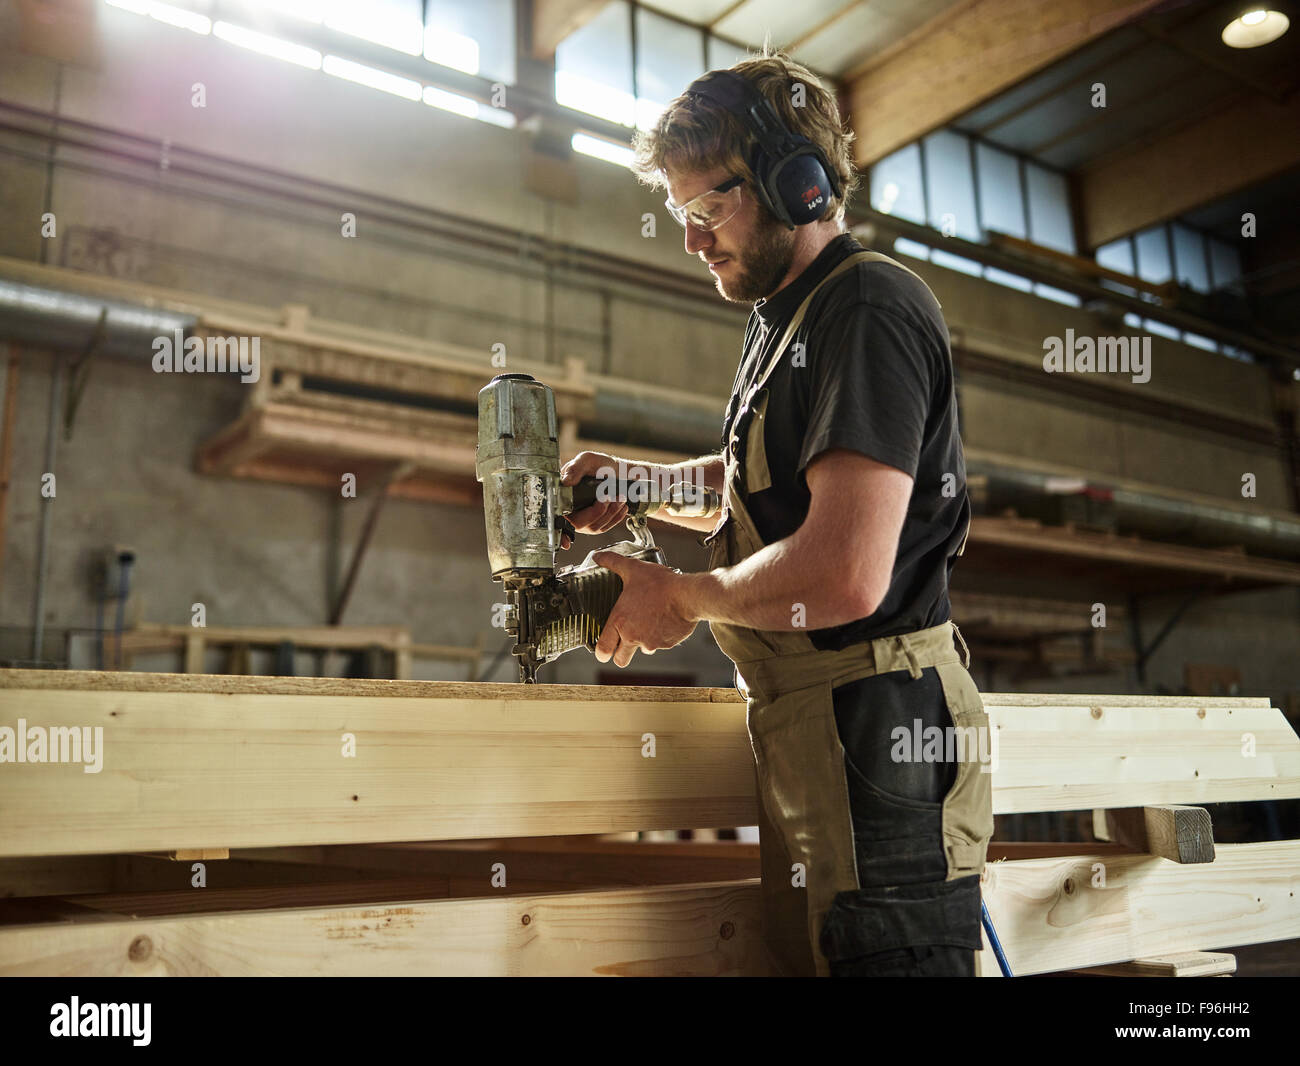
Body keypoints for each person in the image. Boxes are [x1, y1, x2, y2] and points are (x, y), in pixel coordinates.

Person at [560, 50, 994, 978]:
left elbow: (842, 568)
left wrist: (680, 596)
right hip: (812, 726)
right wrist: (637, 488)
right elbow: (767, 486)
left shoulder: (869, 307)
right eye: (682, 216)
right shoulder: (784, 318)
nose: (692, 241)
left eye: (708, 210)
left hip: (880, 732)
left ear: (797, 183)